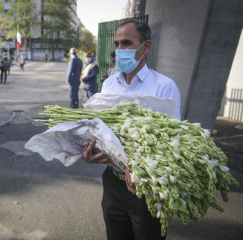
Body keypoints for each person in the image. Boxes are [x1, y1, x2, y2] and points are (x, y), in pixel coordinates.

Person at [82, 19, 181, 240]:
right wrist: (94, 152)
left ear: (145, 47)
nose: (119, 50)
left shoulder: (163, 86)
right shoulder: (108, 85)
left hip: (146, 188)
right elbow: (105, 132)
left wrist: (139, 168)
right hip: (113, 184)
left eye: (126, 43)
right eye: (117, 44)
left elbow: (173, 141)